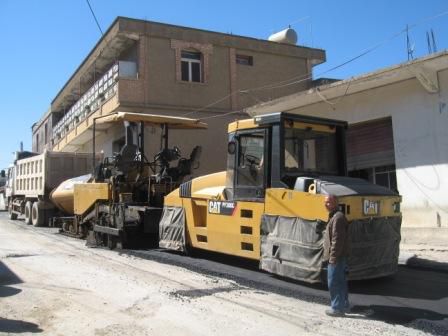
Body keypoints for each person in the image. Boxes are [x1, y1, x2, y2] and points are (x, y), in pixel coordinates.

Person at [323, 194, 350, 317]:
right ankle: (343, 305)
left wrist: (333, 258)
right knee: (341, 281)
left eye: (328, 202)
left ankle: (337, 308)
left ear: (335, 203)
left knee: (334, 282)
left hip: (337, 257)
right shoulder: (335, 216)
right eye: (325, 202)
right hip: (340, 256)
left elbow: (337, 240)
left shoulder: (338, 218)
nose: (326, 204)